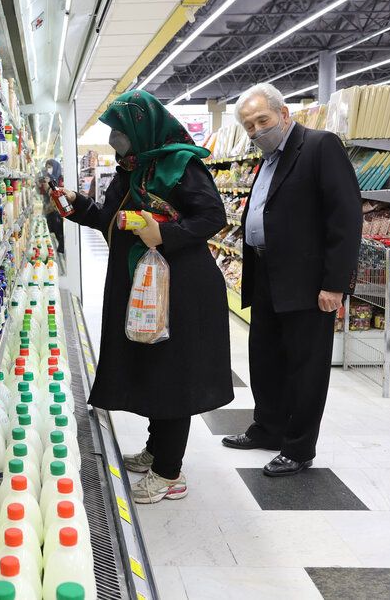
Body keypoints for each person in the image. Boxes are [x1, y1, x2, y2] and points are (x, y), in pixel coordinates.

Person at [56, 90, 233, 503]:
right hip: (145, 285)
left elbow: (212, 216)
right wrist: (73, 205)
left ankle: (170, 472)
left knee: (173, 372)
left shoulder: (180, 164)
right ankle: (158, 450)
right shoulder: (132, 168)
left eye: (120, 129)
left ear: (142, 126)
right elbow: (108, 220)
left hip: (180, 287)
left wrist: (165, 234)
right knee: (153, 364)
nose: (115, 138)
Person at [221, 83, 361, 477]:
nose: (256, 130)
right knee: (264, 359)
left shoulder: (320, 147)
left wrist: (335, 285)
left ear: (284, 114)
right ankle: (268, 428)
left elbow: (345, 219)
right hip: (266, 275)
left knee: (305, 368)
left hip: (308, 283)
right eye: (248, 125)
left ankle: (298, 448)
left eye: (262, 120)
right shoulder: (266, 160)